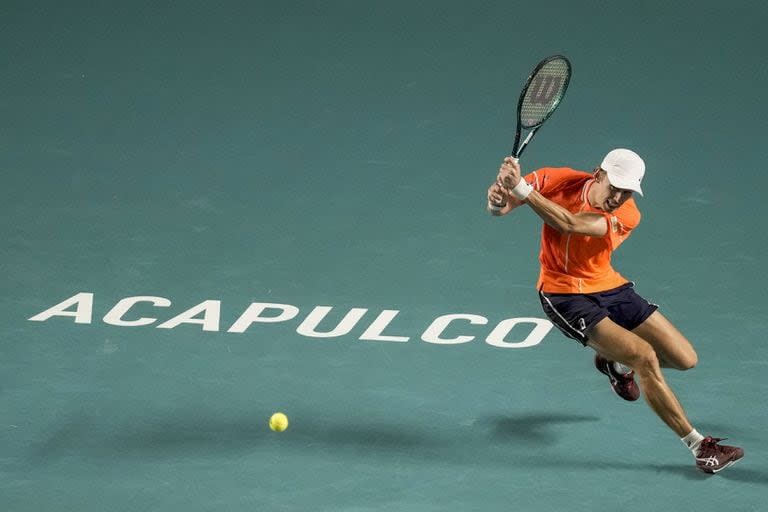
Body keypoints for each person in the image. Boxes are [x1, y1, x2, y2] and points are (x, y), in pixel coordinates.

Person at [486, 148, 743, 474]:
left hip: (609, 286)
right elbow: (502, 207)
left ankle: (612, 360)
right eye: (615, 187)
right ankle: (699, 447)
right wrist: (499, 199)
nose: (619, 196)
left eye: (628, 191)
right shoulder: (559, 179)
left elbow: (570, 223)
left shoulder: (628, 215)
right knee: (644, 356)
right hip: (564, 294)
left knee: (685, 359)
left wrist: (521, 187)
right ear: (598, 173)